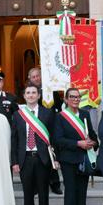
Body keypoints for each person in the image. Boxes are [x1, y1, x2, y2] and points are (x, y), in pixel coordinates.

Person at [11, 84, 57, 205]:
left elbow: (53, 138)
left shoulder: (47, 113)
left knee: (44, 195)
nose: (31, 95)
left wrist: (55, 159)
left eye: (33, 93)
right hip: (25, 160)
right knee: (28, 196)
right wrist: (15, 161)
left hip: (42, 159)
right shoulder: (18, 115)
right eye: (28, 93)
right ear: (24, 96)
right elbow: (15, 139)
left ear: (39, 95)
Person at [54, 87, 99, 205]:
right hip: (68, 161)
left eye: (78, 97)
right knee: (71, 194)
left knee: (82, 195)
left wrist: (93, 142)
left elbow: (93, 135)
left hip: (84, 160)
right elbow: (58, 140)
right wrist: (78, 143)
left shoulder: (85, 114)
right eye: (72, 97)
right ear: (66, 99)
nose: (75, 99)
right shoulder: (60, 117)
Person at [27, 66, 63, 195]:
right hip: (35, 128)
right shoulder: (29, 92)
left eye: (38, 76)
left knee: (51, 155)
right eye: (33, 76)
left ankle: (55, 183)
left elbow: (59, 109)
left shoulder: (51, 91)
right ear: (29, 79)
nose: (36, 78)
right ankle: (37, 186)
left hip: (50, 128)